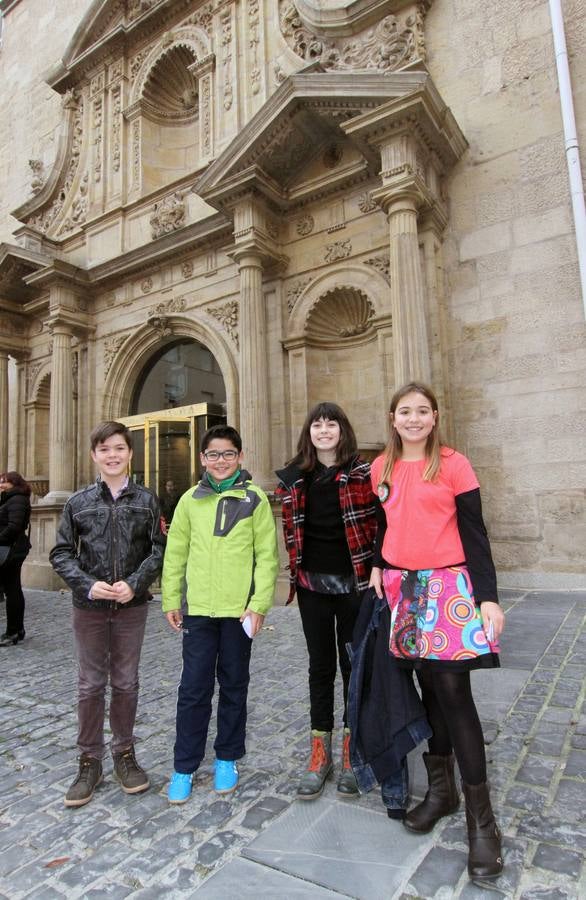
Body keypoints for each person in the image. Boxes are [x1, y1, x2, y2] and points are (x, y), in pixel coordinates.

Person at [369, 382, 505, 880]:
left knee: (454, 692)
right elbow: (388, 523)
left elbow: (475, 531)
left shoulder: (453, 464)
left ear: (434, 416)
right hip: (402, 588)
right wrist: (377, 566)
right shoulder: (379, 468)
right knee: (427, 688)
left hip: (448, 586)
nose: (413, 419)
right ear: (392, 417)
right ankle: (441, 791)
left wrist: (488, 597)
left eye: (422, 411)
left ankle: (482, 823)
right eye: (405, 411)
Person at [50, 422, 165, 808]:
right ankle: (89, 761)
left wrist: (136, 581)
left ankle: (125, 755)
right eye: (104, 449)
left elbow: (159, 549)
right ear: (94, 456)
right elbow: (61, 553)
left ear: (130, 453)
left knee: (127, 682)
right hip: (90, 608)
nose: (112, 455)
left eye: (119, 448)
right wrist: (86, 583)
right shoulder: (77, 502)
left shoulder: (147, 500)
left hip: (131, 606)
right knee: (90, 684)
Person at [162, 424, 279, 804]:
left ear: (240, 457)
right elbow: (175, 552)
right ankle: (184, 764)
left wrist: (259, 604)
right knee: (193, 689)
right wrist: (170, 599)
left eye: (228, 453)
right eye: (213, 454)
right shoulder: (189, 501)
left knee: (234, 686)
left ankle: (227, 757)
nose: (221, 461)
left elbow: (267, 557)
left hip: (238, 613)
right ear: (202, 459)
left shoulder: (255, 498)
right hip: (198, 611)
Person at [276, 402, 379, 800]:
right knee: (320, 667)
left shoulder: (363, 474)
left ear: (342, 430)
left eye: (330, 423)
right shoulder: (294, 479)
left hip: (355, 586)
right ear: (309, 433)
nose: (323, 430)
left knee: (354, 666)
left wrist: (377, 571)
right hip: (311, 587)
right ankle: (320, 752)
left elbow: (377, 525)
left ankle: (353, 751)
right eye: (317, 424)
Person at [0, 472, 32, 647]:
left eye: (3, 482)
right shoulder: (10, 499)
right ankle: (16, 630)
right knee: (13, 590)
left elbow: (14, 526)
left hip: (11, 550)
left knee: (12, 591)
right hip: (11, 549)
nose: (0, 485)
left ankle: (13, 631)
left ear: (14, 483)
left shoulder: (17, 499)